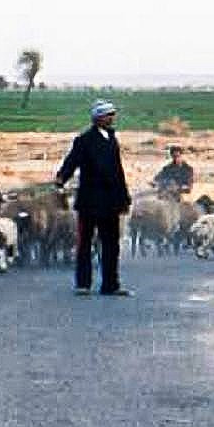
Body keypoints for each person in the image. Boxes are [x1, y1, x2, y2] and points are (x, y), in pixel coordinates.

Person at [54, 99, 133, 296]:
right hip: (89, 201)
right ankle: (83, 284)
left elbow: (118, 172)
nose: (112, 118)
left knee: (111, 245)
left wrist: (124, 198)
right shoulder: (84, 140)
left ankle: (111, 285)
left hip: (110, 203)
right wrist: (61, 177)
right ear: (98, 118)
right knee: (84, 244)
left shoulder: (112, 139)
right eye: (108, 115)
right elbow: (72, 161)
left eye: (112, 115)